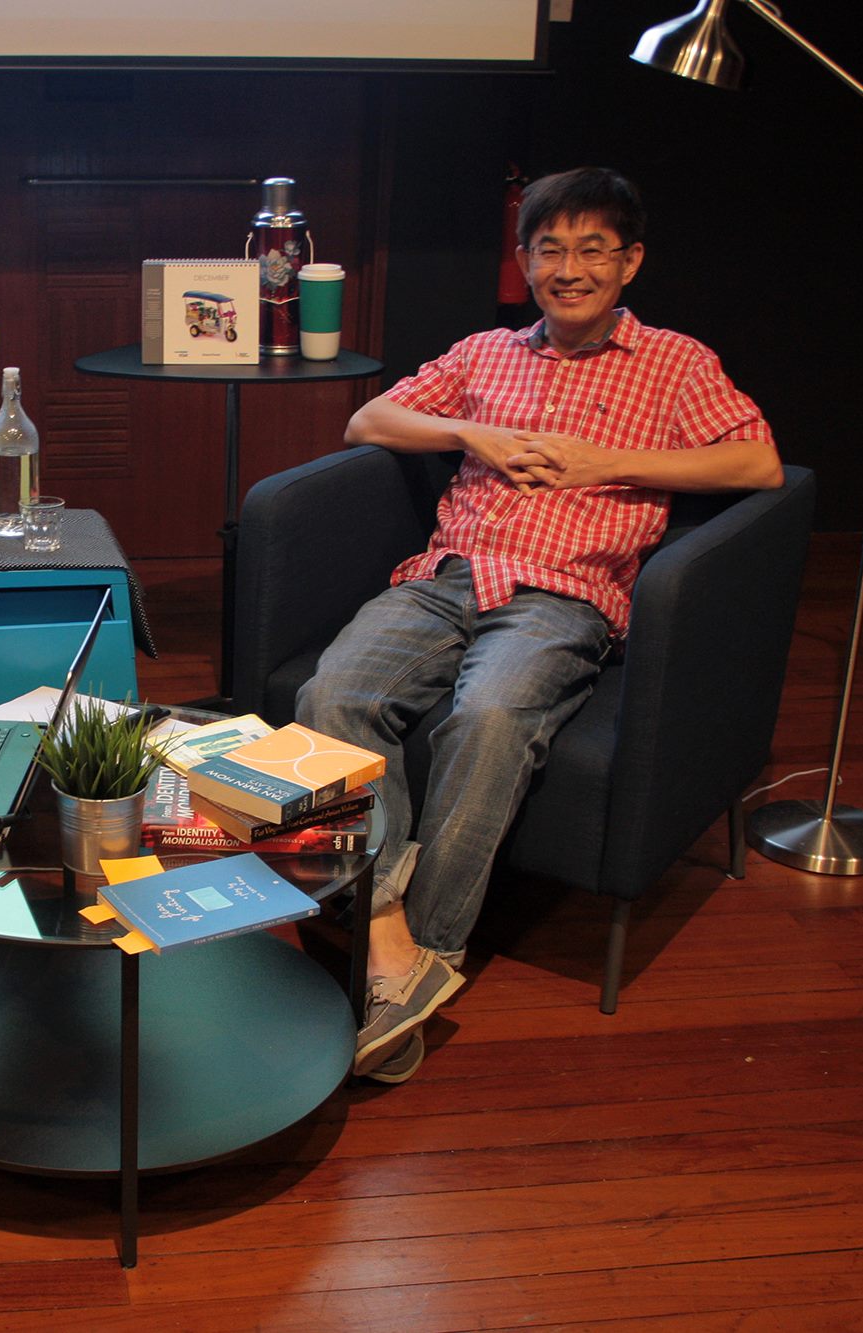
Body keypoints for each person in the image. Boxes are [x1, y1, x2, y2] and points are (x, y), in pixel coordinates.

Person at [297, 167, 782, 1084]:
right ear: (524, 261)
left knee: (486, 717)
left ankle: (418, 956)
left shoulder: (676, 362)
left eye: (592, 249)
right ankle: (393, 938)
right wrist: (468, 435)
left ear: (630, 261)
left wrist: (612, 460)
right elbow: (369, 418)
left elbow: (759, 463)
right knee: (331, 696)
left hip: (563, 594)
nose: (569, 268)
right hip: (443, 578)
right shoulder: (485, 353)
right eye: (549, 249)